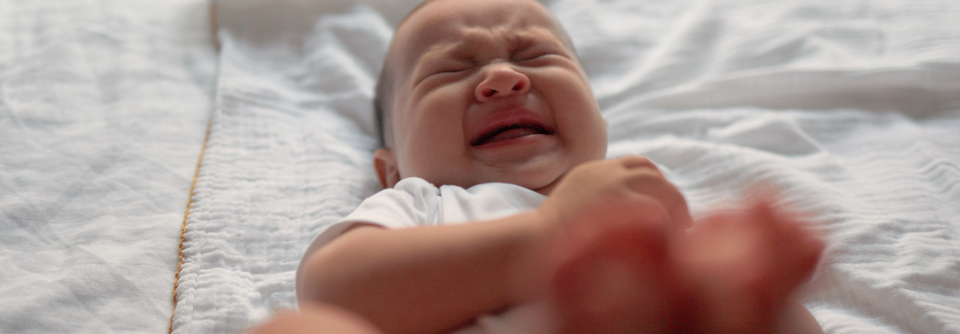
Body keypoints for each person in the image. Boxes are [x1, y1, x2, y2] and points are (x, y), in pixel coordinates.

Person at [253, 0, 826, 333]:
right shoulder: (425, 203)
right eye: (449, 71)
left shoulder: (640, 220)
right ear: (392, 168)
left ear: (600, 121)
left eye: (535, 56)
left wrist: (741, 293)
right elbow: (333, 289)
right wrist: (550, 232)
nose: (503, 78)